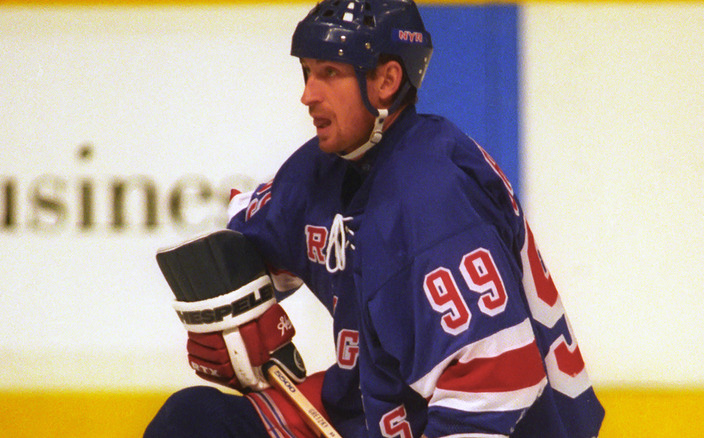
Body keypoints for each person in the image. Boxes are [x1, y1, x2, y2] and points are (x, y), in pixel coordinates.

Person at [146, 0, 605, 436]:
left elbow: (500, 381)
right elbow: (250, 241)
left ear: (386, 81)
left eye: (330, 73)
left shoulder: (432, 196)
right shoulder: (322, 172)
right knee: (192, 422)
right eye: (307, 72)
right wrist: (235, 321)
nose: (308, 94)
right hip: (368, 414)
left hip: (492, 428)